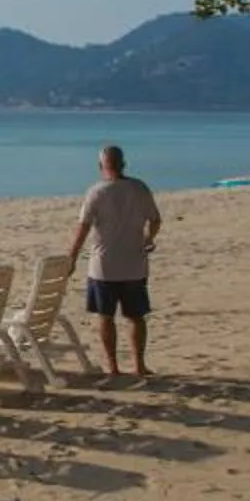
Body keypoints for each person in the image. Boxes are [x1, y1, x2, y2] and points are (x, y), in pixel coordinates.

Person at [67, 143, 164, 378]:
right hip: (134, 262)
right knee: (136, 317)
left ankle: (113, 366)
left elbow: (84, 227)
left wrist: (72, 256)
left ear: (101, 166)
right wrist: (148, 239)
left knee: (106, 316)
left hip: (104, 265)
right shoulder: (139, 188)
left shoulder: (96, 192)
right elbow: (155, 220)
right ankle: (139, 365)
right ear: (123, 164)